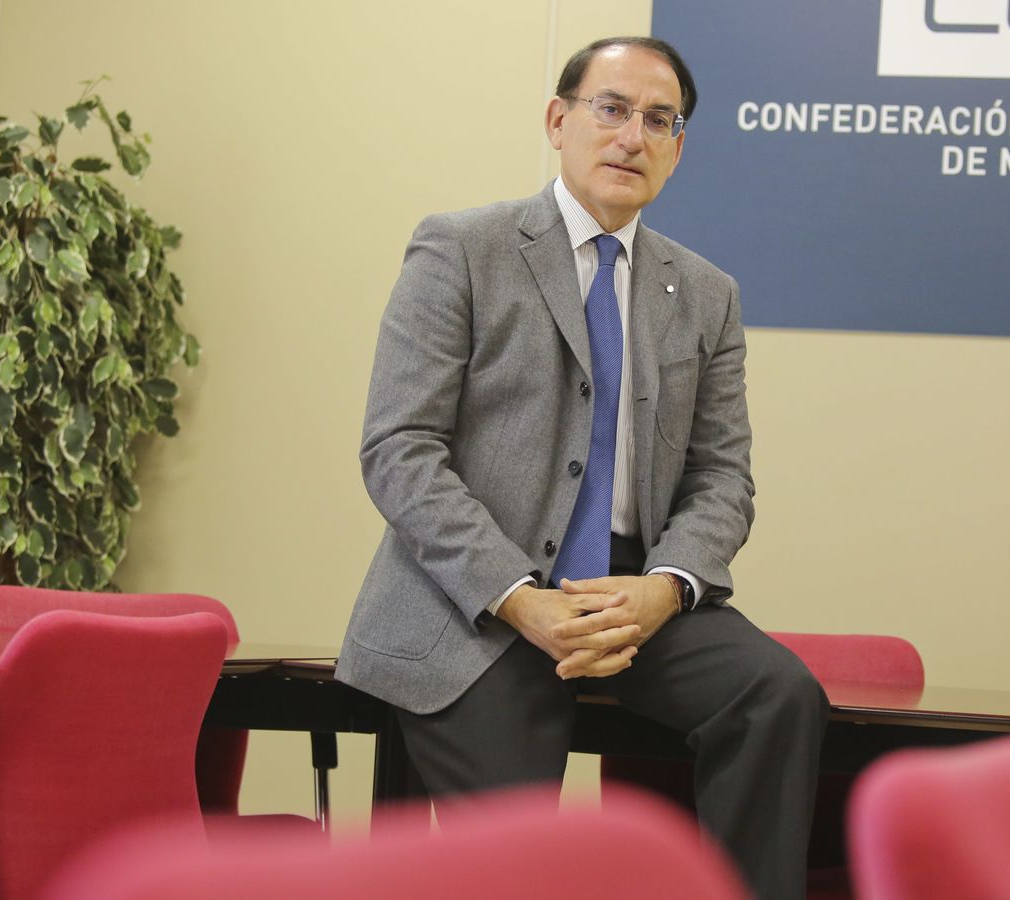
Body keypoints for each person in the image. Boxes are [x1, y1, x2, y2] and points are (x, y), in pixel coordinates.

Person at [334, 35, 827, 900]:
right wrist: (520, 597)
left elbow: (722, 478)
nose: (632, 135)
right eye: (611, 108)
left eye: (659, 119)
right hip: (479, 603)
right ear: (559, 121)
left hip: (632, 597)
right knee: (529, 861)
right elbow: (398, 450)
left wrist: (666, 588)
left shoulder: (707, 293)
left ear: (679, 148)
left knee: (776, 695)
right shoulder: (461, 248)